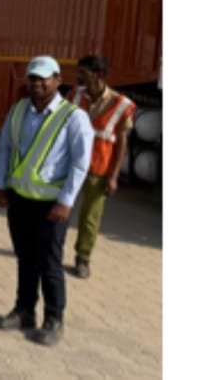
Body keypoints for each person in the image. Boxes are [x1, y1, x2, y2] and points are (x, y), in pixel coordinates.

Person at [0, 56, 93, 346]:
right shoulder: (18, 110)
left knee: (49, 263)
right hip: (19, 200)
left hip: (50, 205)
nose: (36, 83)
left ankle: (54, 318)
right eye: (32, 77)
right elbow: (4, 148)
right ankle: (24, 310)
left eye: (43, 78)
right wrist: (0, 185)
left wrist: (66, 202)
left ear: (58, 80)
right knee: (25, 258)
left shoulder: (74, 117)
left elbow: (80, 164)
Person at [69, 55, 135, 279]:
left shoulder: (122, 105)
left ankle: (83, 258)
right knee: (59, 209)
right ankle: (51, 249)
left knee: (90, 217)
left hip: (98, 169)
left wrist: (114, 176)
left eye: (84, 73)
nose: (78, 76)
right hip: (70, 165)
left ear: (99, 75)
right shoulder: (74, 95)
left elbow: (121, 144)